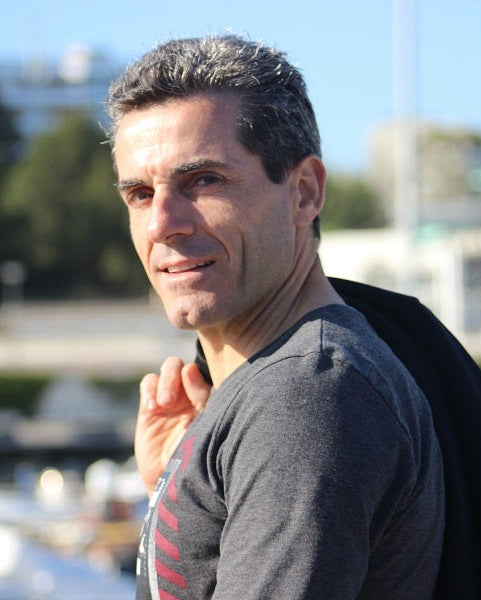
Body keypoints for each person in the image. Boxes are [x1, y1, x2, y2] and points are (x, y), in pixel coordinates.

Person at [107, 35, 445, 599]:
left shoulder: (306, 393)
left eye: (204, 181)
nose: (162, 223)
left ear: (304, 192)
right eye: (140, 194)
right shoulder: (278, 388)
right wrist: (181, 490)